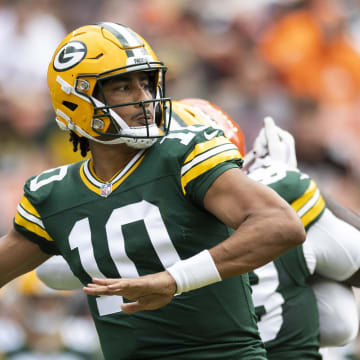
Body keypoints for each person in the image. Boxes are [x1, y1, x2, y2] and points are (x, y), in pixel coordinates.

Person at [0, 23, 305, 360]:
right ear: (76, 101)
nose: (144, 98)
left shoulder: (183, 153)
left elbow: (281, 225)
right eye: (123, 87)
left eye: (146, 84)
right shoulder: (53, 193)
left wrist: (174, 280)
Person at [36, 98, 360, 359]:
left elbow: (51, 271)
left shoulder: (131, 221)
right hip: (273, 348)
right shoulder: (280, 193)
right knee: (339, 320)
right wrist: (300, 186)